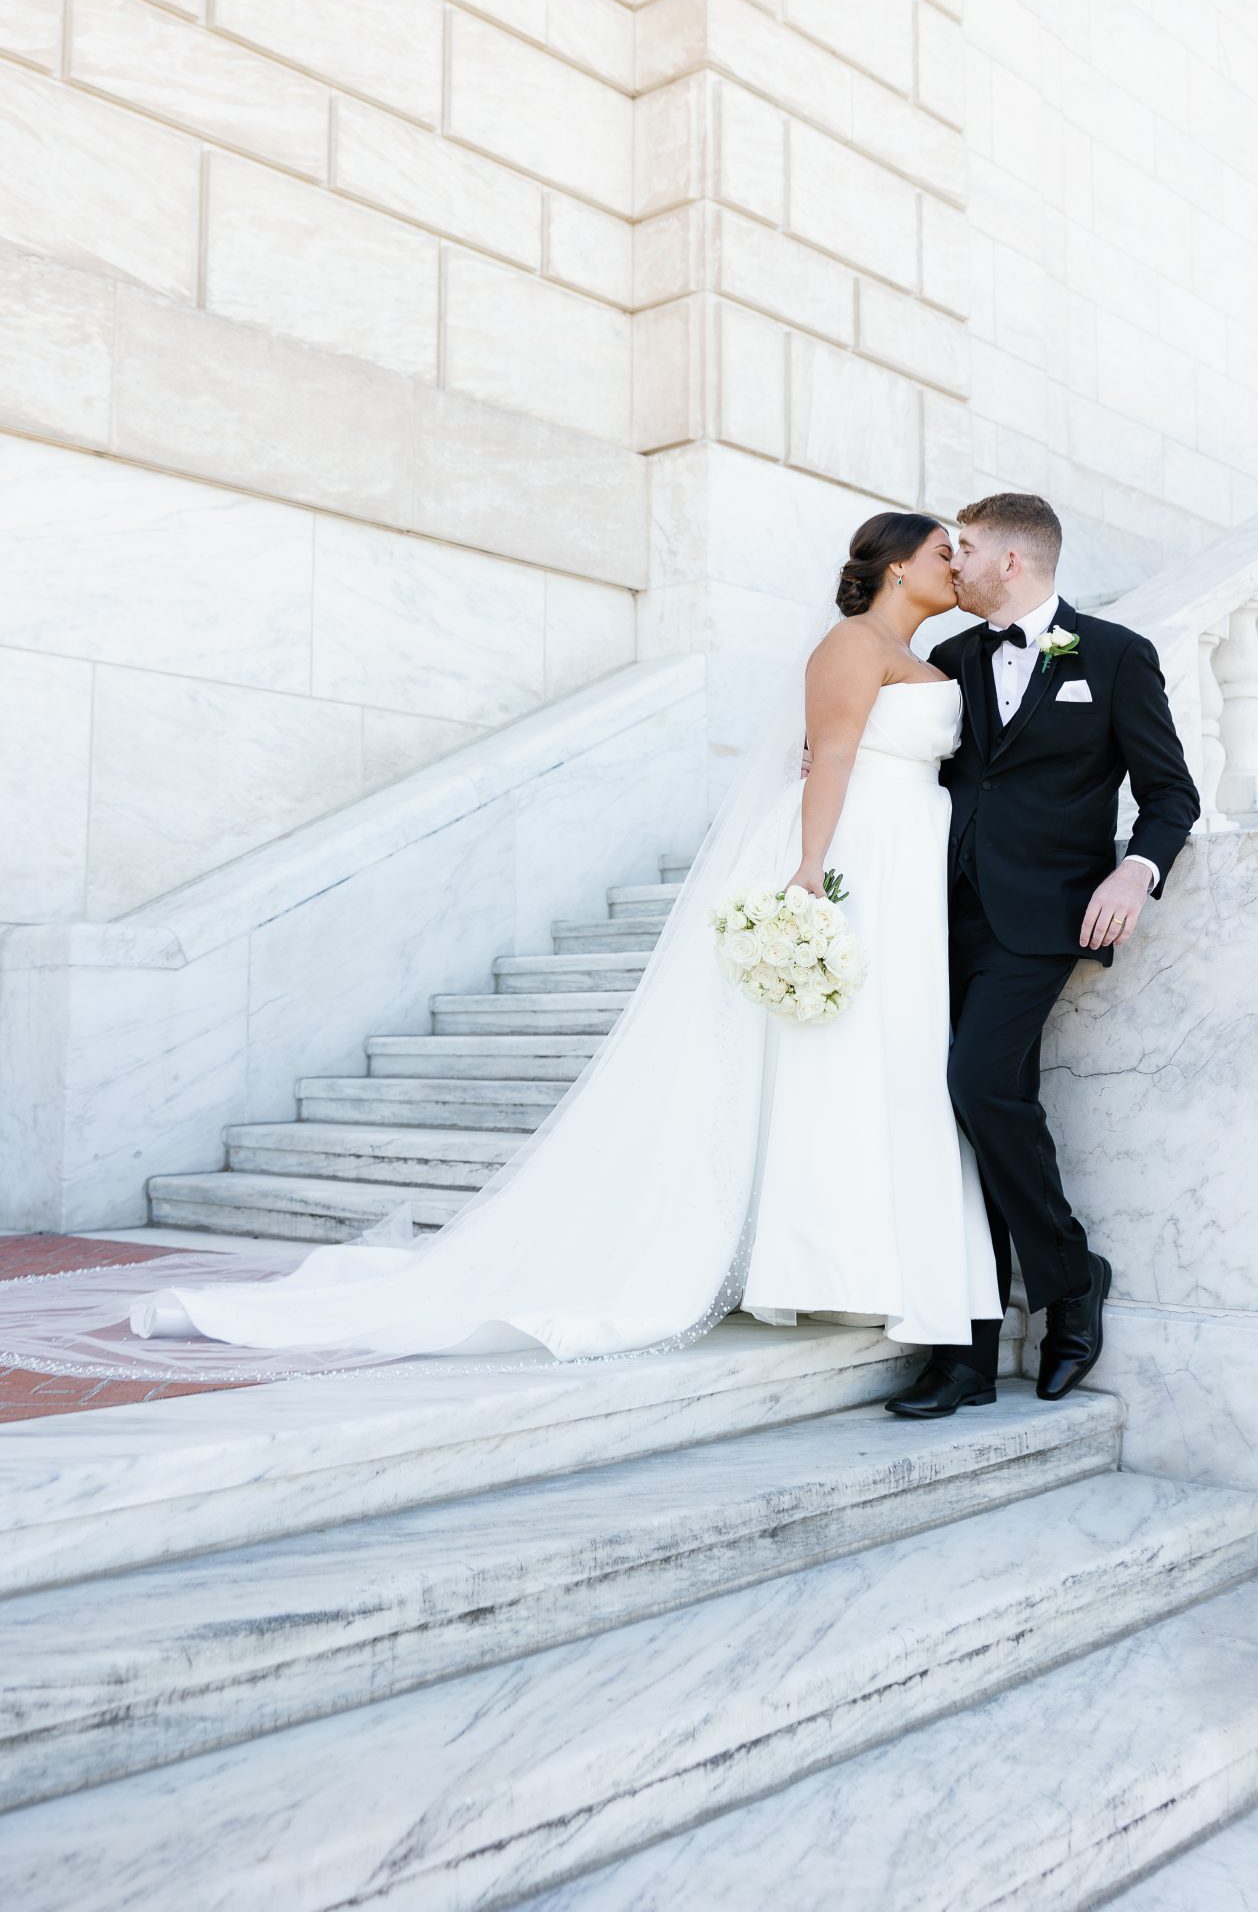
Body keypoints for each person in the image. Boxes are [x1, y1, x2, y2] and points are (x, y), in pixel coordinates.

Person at [126, 512, 1004, 1372]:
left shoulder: (929, 657)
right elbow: (835, 758)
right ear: (896, 568)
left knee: (883, 1052)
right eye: (940, 552)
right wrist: (810, 869)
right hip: (858, 854)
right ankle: (828, 1260)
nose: (955, 567)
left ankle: (856, 1254)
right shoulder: (852, 644)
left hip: (907, 856)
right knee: (842, 1049)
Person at [883, 493, 1201, 1420]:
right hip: (936, 916)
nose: (955, 561)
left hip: (1044, 918)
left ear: (1012, 561)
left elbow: (1170, 793)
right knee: (960, 1119)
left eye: (966, 548)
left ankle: (1069, 1277)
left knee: (980, 1086)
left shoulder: (1113, 654)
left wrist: (1136, 872)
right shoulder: (947, 660)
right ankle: (966, 1356)